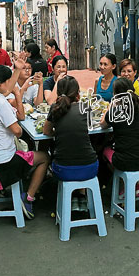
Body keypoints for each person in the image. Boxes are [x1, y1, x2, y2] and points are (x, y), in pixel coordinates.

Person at [0, 63, 50, 220]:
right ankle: (28, 197)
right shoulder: (0, 102)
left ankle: (17, 182)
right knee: (44, 157)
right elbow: (18, 131)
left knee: (28, 149)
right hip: (3, 162)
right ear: (0, 83)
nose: (11, 84)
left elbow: (19, 116)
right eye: (9, 81)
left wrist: (17, 80)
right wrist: (18, 93)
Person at [43, 76, 99, 211]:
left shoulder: (54, 109)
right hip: (89, 167)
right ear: (78, 93)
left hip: (63, 169)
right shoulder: (85, 108)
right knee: (82, 150)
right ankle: (81, 196)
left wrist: (59, 132)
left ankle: (75, 197)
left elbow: (46, 131)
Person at [100, 77, 139, 200]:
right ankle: (135, 186)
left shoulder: (114, 113)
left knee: (104, 150)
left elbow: (102, 124)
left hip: (126, 161)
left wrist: (110, 107)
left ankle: (124, 184)